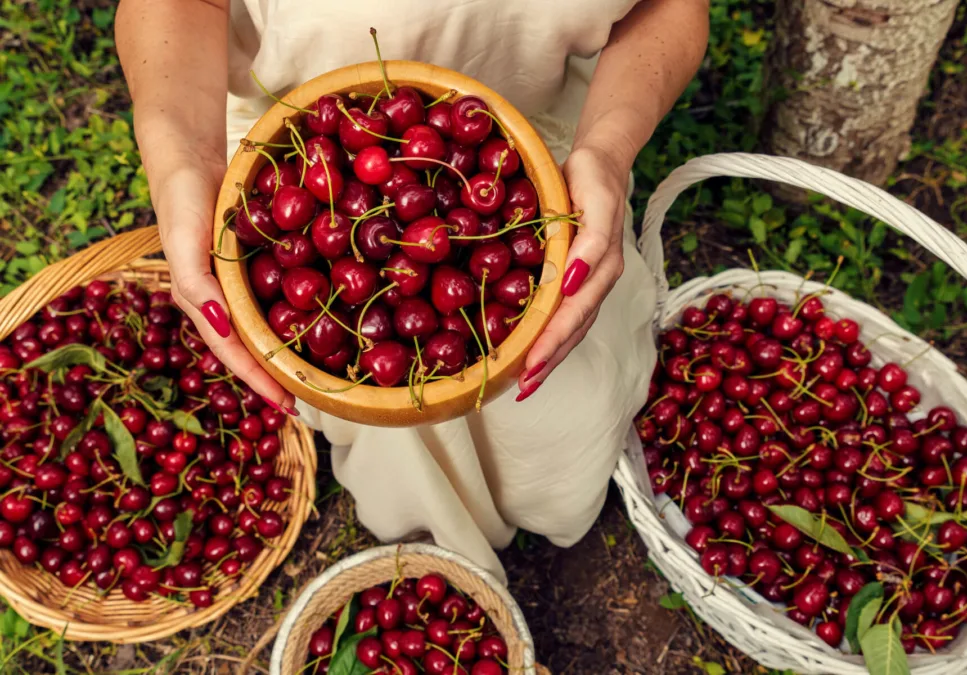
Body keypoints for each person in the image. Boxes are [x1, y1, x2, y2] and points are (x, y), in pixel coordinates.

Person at [115, 0, 708, 581]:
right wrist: (184, 160)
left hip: (534, 173)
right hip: (294, 148)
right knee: (379, 409)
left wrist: (607, 151)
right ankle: (429, 529)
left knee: (561, 407)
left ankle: (535, 513)